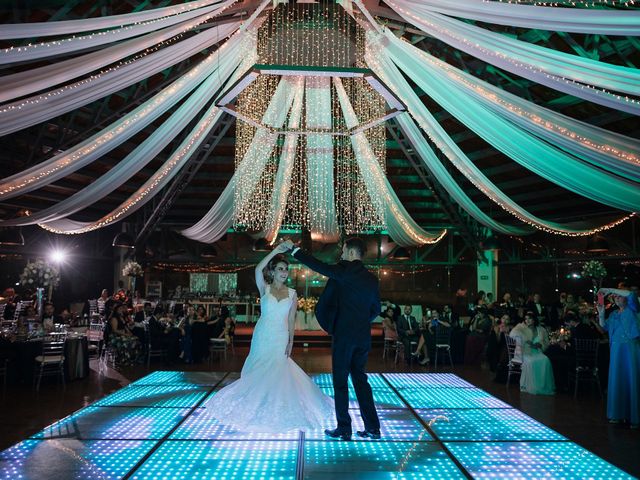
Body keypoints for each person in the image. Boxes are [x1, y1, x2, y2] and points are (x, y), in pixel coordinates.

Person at [203, 242, 333, 433]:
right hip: (262, 334)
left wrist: (291, 342)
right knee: (258, 368)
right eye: (280, 269)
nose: (284, 272)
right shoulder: (264, 288)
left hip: (280, 336)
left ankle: (275, 409)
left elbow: (291, 319)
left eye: (286, 269)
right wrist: (275, 251)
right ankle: (255, 406)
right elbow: (258, 268)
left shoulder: (292, 294)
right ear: (272, 272)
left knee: (278, 370)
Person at [286, 237, 381, 440]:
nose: (342, 254)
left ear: (352, 253)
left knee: (340, 382)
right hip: (363, 337)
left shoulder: (344, 272)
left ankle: (344, 428)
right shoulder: (372, 279)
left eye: (344, 250)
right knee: (361, 380)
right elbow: (376, 309)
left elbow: (318, 265)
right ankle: (373, 427)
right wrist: (361, 322)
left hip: (344, 336)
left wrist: (294, 251)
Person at [597, 288, 640, 428]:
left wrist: (609, 290)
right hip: (616, 350)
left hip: (629, 348)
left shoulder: (633, 308)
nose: (616, 298)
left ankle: (634, 417)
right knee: (617, 380)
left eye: (619, 296)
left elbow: (631, 294)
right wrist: (601, 313)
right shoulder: (614, 314)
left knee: (631, 379)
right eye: (614, 297)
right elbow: (604, 327)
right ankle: (617, 415)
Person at [509, 312, 555, 395]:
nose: (527, 320)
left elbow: (546, 342)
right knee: (531, 362)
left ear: (534, 319)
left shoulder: (541, 329)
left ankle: (543, 386)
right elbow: (512, 334)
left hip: (537, 352)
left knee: (546, 360)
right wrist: (526, 340)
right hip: (525, 352)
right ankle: (532, 386)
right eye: (526, 319)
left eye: (529, 318)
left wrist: (540, 345)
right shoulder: (521, 327)